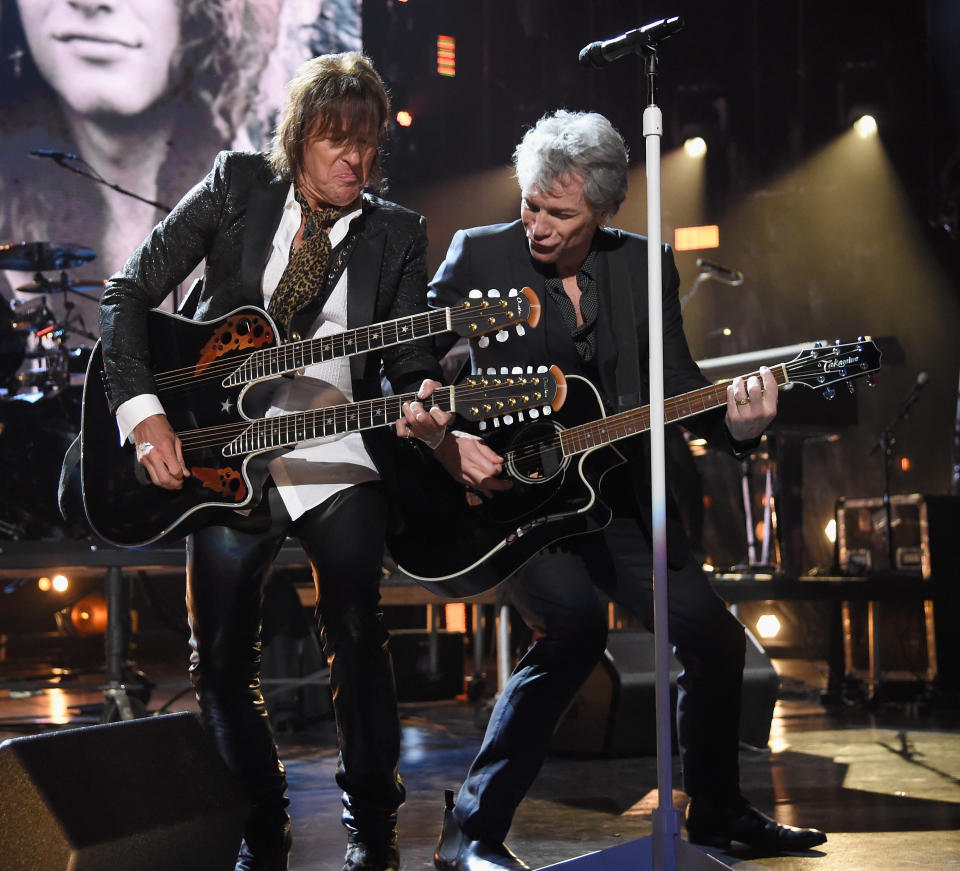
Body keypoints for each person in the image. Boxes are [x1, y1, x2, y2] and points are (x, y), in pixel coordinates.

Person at [403, 110, 828, 870]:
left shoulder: (643, 263)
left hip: (616, 494)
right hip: (515, 500)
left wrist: (743, 425)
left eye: (559, 213)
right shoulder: (480, 254)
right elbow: (410, 364)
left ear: (601, 210)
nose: (535, 223)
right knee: (572, 629)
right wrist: (442, 433)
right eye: (530, 202)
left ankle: (717, 810)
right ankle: (471, 830)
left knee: (714, 636)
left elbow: (678, 384)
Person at [97, 52, 444, 871]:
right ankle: (262, 823)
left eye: (367, 145)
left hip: (336, 447)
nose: (355, 159)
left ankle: (374, 825)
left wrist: (426, 398)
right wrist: (144, 415)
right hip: (221, 449)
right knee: (218, 660)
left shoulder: (396, 232)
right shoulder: (235, 185)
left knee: (357, 627)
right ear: (298, 141)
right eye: (336, 141)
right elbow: (127, 293)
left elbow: (409, 362)